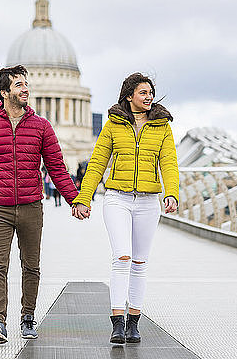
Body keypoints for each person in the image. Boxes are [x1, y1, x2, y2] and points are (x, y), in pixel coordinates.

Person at [0, 65, 78, 344]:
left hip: (30, 206)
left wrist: (76, 200)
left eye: (26, 84)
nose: (26, 89)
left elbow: (57, 168)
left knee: (31, 266)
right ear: (4, 92)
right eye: (18, 85)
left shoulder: (41, 127)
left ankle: (28, 317)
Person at [71, 72, 179, 344]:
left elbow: (169, 162)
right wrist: (83, 198)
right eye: (143, 93)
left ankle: (134, 322)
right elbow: (97, 163)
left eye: (150, 93)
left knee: (140, 263)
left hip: (147, 202)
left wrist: (172, 193)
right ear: (129, 95)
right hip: (117, 198)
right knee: (122, 257)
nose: (149, 97)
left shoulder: (162, 126)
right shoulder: (113, 124)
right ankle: (117, 323)